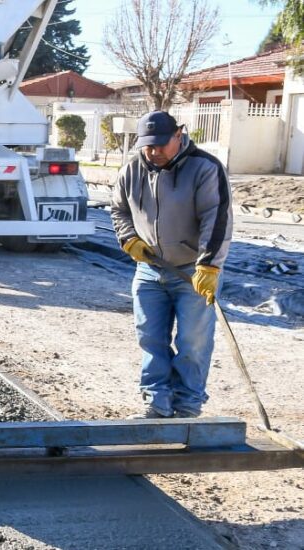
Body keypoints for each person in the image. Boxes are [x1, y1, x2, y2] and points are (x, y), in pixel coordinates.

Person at [111, 111, 232, 419]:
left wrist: (209, 266)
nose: (155, 152)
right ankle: (156, 402)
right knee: (150, 337)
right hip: (149, 270)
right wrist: (128, 238)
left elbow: (216, 218)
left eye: (162, 144)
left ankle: (188, 405)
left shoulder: (205, 168)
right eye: (148, 146)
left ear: (179, 134)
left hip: (192, 271)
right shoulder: (132, 170)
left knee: (193, 341)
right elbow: (119, 210)